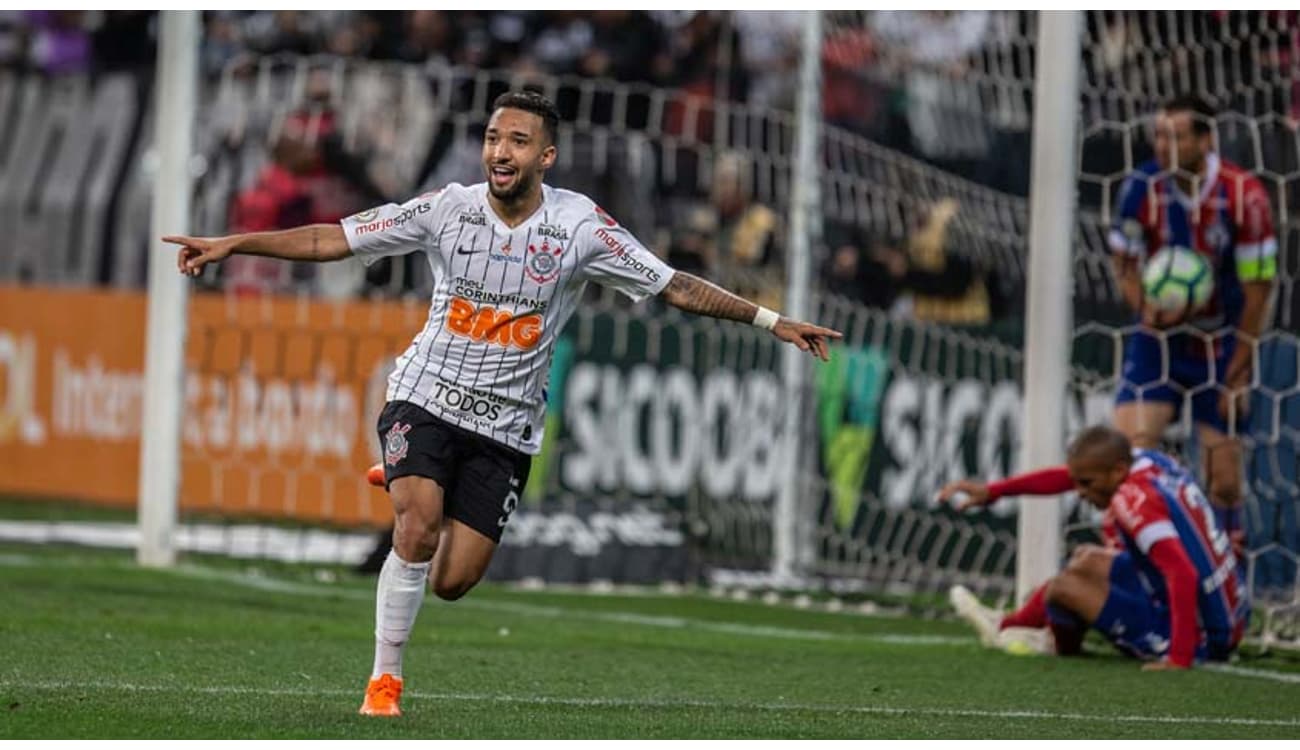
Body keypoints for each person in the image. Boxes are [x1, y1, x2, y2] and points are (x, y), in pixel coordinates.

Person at [163, 90, 841, 717]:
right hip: (424, 393)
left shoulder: (579, 229)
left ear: (545, 157)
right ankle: (384, 680)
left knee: (453, 582)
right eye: (492, 137)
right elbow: (332, 238)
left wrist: (769, 321)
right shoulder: (446, 209)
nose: (500, 152)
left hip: (507, 425)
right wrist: (232, 244)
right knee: (418, 529)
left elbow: (673, 287)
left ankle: (408, 478)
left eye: (517, 141)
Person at [1108, 93, 1277, 557]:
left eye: (1176, 136)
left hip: (1221, 342)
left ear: (1205, 139)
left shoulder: (1245, 196)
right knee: (1128, 451)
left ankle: (1226, 581)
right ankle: (1131, 566)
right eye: (1159, 135)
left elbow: (1259, 290)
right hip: (1158, 341)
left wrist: (1239, 370)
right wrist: (1145, 308)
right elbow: (1123, 259)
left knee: (1223, 480)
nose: (1164, 146)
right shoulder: (1141, 187)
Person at [936, 425, 1247, 670]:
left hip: (1204, 638)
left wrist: (1179, 658)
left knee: (1062, 589)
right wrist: (994, 492)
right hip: (1229, 615)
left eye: (1086, 484)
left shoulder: (1133, 501)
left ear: (1116, 472)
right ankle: (1008, 626)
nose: (1080, 492)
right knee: (1086, 558)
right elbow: (1067, 477)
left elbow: (1182, 573)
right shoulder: (1148, 462)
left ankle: (1028, 634)